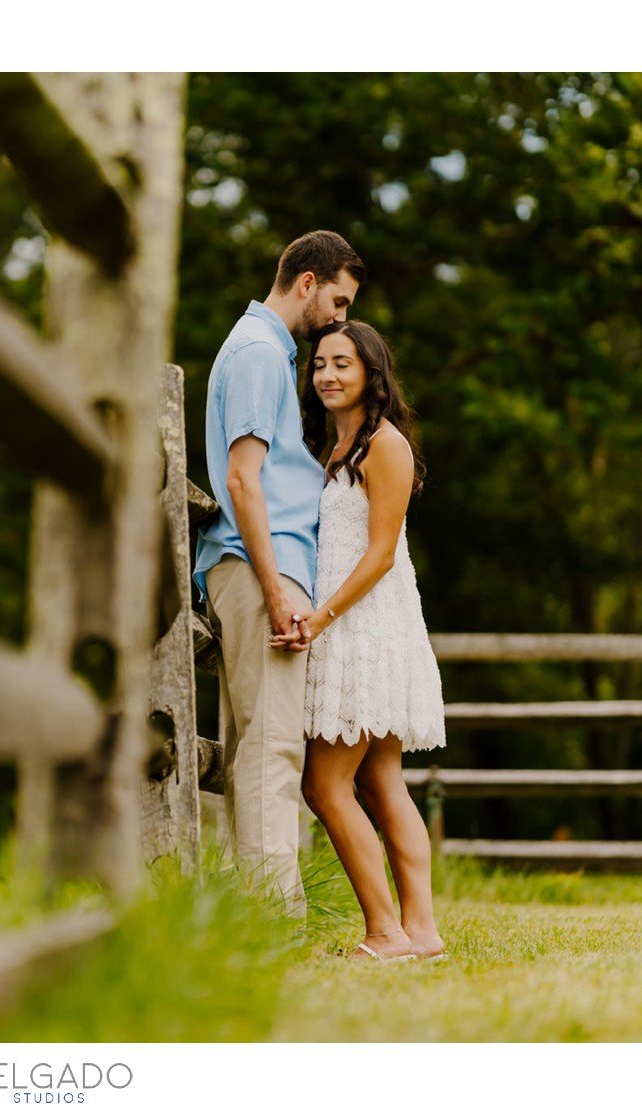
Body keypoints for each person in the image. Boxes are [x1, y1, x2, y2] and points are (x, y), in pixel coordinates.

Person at [194, 230, 364, 921]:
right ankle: (275, 919)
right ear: (307, 283)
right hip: (264, 568)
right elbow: (243, 478)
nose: (340, 317)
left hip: (261, 566)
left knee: (255, 748)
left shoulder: (259, 349)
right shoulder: (261, 353)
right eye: (339, 300)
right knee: (272, 748)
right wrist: (276, 588)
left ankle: (250, 912)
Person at [269, 319, 448, 960]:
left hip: (367, 628)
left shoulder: (385, 445)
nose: (328, 376)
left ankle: (386, 930)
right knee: (380, 783)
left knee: (326, 786)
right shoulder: (331, 450)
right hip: (350, 625)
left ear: (372, 371)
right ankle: (419, 934)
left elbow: (378, 556)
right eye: (319, 364)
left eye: (342, 364)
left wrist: (320, 619)